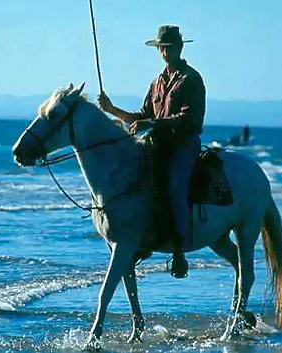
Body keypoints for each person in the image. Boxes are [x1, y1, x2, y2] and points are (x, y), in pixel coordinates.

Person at [98, 25, 205, 278]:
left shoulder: (192, 79)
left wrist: (152, 124)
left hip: (183, 144)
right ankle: (142, 238)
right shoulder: (157, 82)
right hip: (156, 143)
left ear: (180, 48)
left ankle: (179, 251)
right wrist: (112, 110)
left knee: (175, 187)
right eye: (161, 49)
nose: (165, 53)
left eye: (168, 48)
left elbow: (188, 119)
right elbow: (142, 116)